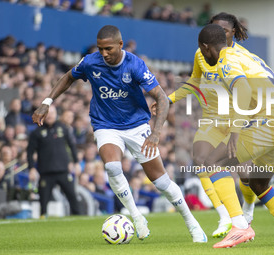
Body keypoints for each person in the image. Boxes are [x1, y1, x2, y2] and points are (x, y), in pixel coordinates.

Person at [31, 25, 207, 242]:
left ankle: (192, 222)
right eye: (100, 49)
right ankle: (136, 216)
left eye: (109, 49)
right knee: (112, 166)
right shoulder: (90, 62)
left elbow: (161, 97)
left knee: (161, 182)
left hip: (137, 126)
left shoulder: (134, 65)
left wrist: (155, 132)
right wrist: (47, 102)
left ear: (120, 45)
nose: (104, 53)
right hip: (106, 125)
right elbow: (68, 77)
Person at [198, 23, 274, 248]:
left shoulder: (225, 61)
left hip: (272, 120)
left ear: (205, 47)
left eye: (202, 52)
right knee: (259, 183)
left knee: (212, 161)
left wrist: (234, 131)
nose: (202, 57)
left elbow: (242, 88)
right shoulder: (243, 55)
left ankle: (240, 225)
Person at [152, 12, 256, 238]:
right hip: (212, 119)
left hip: (237, 119)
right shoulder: (202, 53)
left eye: (225, 31)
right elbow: (194, 82)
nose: (220, 34)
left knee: (246, 175)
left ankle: (248, 207)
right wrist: (168, 99)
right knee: (200, 160)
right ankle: (225, 216)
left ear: (233, 33)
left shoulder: (241, 58)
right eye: (215, 29)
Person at [27, 105, 80, 217]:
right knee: (44, 200)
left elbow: (72, 146)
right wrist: (31, 168)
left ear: (56, 114)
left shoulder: (63, 128)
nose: (50, 115)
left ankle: (79, 218)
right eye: (48, 113)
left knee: (73, 197)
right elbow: (30, 152)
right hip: (46, 172)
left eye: (52, 113)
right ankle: (43, 217)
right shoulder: (37, 132)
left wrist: (76, 162)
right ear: (44, 115)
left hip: (63, 170)